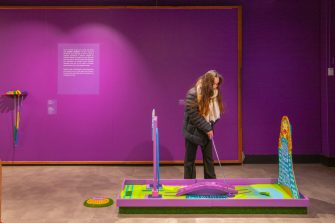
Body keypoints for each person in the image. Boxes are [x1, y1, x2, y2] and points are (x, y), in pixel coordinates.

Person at [183, 70, 224, 179]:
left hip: (206, 131)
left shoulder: (214, 94)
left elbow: (215, 113)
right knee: (190, 161)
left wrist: (209, 126)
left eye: (217, 84)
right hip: (192, 131)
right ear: (207, 83)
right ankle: (189, 183)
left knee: (209, 159)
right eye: (213, 84)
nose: (216, 86)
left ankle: (211, 182)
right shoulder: (193, 93)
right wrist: (207, 128)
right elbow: (193, 115)